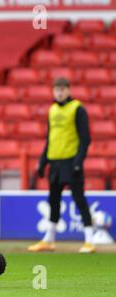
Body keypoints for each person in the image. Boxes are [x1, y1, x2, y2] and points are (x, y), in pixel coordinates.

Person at [28, 77, 94, 253]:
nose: (59, 92)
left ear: (69, 90)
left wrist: (79, 161)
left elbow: (85, 138)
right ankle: (49, 240)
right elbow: (50, 138)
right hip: (55, 163)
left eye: (62, 89)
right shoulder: (52, 110)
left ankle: (89, 240)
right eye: (56, 89)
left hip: (71, 162)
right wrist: (43, 162)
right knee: (54, 201)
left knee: (79, 199)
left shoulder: (77, 109)